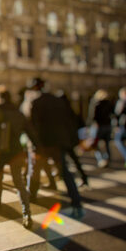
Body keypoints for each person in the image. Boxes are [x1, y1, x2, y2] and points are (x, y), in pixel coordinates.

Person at [27, 78, 83, 218]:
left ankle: (32, 196)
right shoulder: (58, 101)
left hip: (43, 144)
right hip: (59, 143)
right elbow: (69, 121)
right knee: (65, 172)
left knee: (35, 171)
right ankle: (76, 201)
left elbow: (34, 126)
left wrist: (34, 144)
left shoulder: (36, 103)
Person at [0, 85, 34, 229]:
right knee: (19, 182)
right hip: (16, 151)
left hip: (0, 151)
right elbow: (28, 130)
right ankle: (27, 213)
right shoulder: (18, 112)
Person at [57, 91, 89, 187]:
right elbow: (80, 123)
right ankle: (83, 177)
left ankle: (67, 179)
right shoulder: (71, 109)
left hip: (63, 140)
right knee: (74, 160)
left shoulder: (61, 111)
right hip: (71, 139)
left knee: (63, 161)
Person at [88, 89, 114, 168]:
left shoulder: (96, 104)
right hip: (108, 126)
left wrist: (88, 125)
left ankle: (101, 159)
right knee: (107, 144)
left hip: (98, 126)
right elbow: (113, 114)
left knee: (95, 144)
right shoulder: (109, 104)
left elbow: (92, 116)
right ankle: (107, 159)